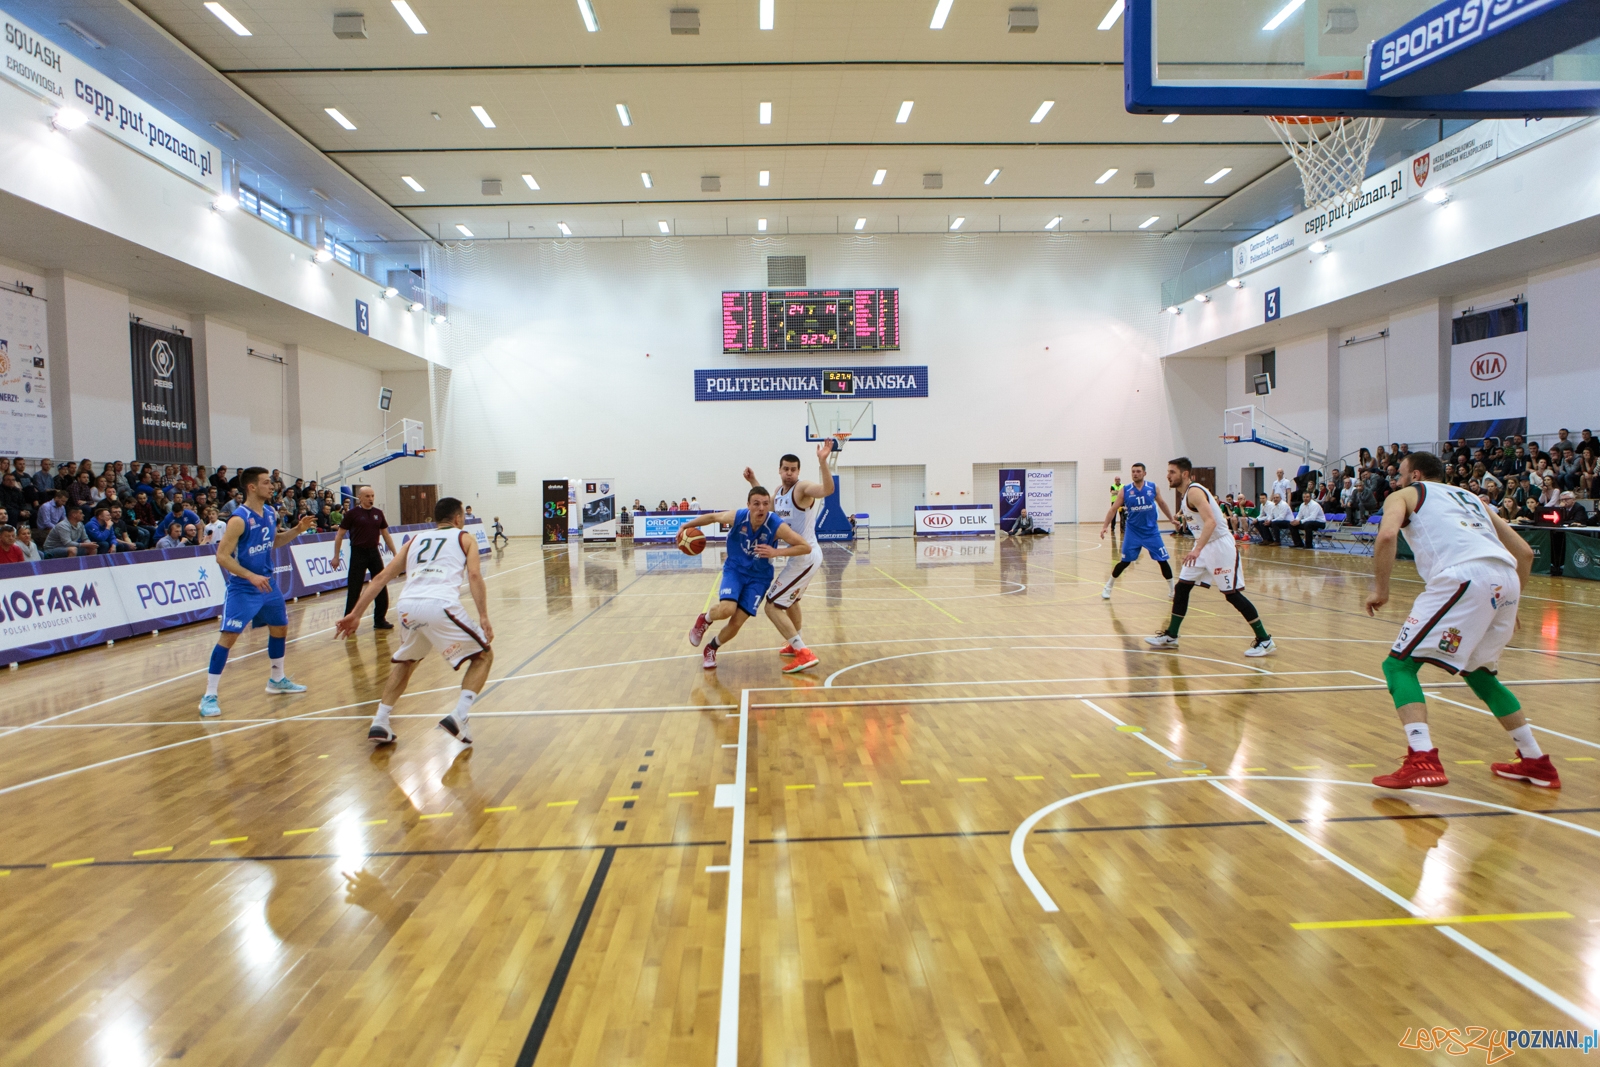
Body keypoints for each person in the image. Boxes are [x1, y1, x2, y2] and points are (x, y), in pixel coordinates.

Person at [1365, 451, 1558, 790]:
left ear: (1415, 475)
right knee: (1480, 674)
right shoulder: (1472, 498)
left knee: (1398, 666)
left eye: (1400, 474)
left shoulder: (1406, 495)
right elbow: (1525, 553)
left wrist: (1381, 589)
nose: (1396, 480)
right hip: (1506, 580)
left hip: (1462, 576)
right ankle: (1535, 760)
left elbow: (1386, 536)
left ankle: (1422, 757)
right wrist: (1508, 603)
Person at [337, 496, 493, 746]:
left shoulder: (415, 540)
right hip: (439, 604)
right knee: (484, 656)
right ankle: (459, 716)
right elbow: (474, 575)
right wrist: (483, 616)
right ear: (457, 518)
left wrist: (356, 613)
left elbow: (381, 578)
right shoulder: (465, 538)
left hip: (407, 606)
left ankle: (380, 721)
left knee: (407, 661)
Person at [198, 466, 317, 718]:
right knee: (229, 638)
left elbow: (274, 541)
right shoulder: (238, 519)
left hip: (268, 584)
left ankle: (277, 679)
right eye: (266, 482)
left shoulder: (270, 512)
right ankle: (209, 695)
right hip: (244, 587)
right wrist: (250, 575)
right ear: (252, 487)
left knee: (280, 628)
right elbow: (222, 557)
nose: (272, 486)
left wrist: (297, 530)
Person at [1146, 458, 1275, 657]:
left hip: (1219, 546)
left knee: (1232, 595)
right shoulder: (1186, 495)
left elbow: (1211, 522)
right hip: (1204, 544)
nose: (1168, 476)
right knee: (1182, 588)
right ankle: (1171, 636)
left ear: (1185, 474)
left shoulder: (1194, 491)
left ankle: (1265, 640)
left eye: (1172, 472)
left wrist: (1197, 549)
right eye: (1168, 471)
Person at [682, 486, 816, 670]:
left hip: (759, 578)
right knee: (727, 609)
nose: (761, 508)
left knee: (737, 622)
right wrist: (685, 526)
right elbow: (712, 517)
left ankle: (711, 648)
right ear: (748, 505)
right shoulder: (738, 517)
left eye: (765, 504)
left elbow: (805, 547)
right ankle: (704, 619)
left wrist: (776, 552)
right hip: (735, 570)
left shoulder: (775, 524)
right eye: (756, 504)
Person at [742, 442, 835, 673]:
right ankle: (796, 644)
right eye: (786, 469)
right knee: (792, 601)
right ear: (780, 470)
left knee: (772, 607)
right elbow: (768, 506)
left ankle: (803, 652)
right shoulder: (779, 493)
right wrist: (753, 482)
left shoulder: (802, 488)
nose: (789, 473)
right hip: (799, 556)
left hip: (806, 555)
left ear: (798, 471)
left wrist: (822, 461)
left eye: (793, 469)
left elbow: (827, 490)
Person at [1100, 462, 1176, 599]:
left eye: (1138, 471)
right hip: (1133, 532)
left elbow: (1162, 503)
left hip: (1151, 531)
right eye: (1133, 471)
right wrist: (1105, 526)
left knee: (1162, 560)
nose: (1135, 474)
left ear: (1144, 473)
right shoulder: (1125, 490)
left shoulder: (1152, 487)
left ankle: (1172, 590)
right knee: (1125, 562)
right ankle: (1108, 586)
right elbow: (1113, 509)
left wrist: (1171, 519)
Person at [332, 486, 398, 632]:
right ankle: (348, 621)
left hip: (374, 552)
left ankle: (380, 619)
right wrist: (336, 556)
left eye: (372, 496)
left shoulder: (378, 513)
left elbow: (385, 534)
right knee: (354, 589)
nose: (371, 499)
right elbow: (340, 535)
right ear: (360, 498)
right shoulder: (352, 514)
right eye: (367, 496)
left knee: (380, 585)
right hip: (358, 553)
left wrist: (395, 553)